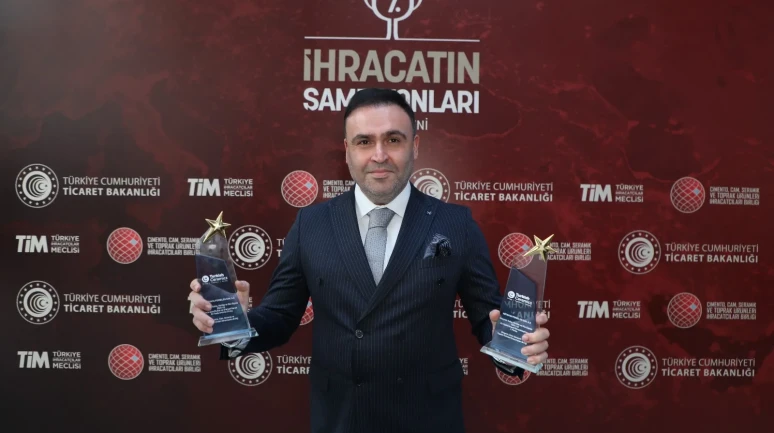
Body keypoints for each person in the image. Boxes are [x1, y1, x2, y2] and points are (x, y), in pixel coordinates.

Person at [188, 88, 550, 433]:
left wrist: (516, 344)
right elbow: (280, 317)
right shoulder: (311, 224)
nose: (379, 155)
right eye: (364, 142)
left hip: (427, 420)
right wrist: (233, 324)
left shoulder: (456, 224)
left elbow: (488, 319)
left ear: (415, 146)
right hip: (343, 419)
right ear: (347, 151)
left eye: (393, 139)